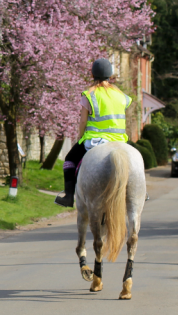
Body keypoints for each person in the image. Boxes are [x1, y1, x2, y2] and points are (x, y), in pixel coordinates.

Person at [55, 58, 133, 207]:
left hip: (95, 140)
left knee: (69, 160)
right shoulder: (121, 95)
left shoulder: (89, 94)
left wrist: (80, 136)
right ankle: (139, 193)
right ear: (110, 75)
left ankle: (69, 196)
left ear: (93, 75)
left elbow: (83, 121)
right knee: (136, 161)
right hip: (119, 139)